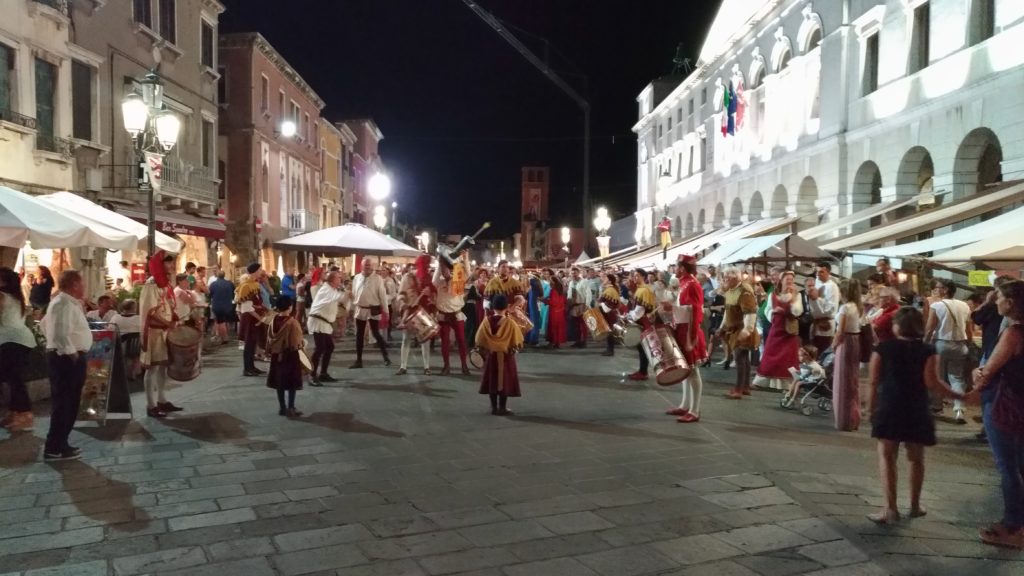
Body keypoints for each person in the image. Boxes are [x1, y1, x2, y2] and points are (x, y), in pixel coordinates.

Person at [867, 306, 962, 525]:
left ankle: (890, 509)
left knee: (887, 457)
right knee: (916, 459)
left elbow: (873, 382)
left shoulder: (883, 348)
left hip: (890, 406)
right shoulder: (928, 351)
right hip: (916, 407)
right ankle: (915, 505)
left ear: (897, 326)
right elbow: (932, 383)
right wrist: (961, 396)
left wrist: (870, 409)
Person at [970, 280, 1024, 548]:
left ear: (1011, 302)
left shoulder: (1015, 332)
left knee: (1008, 468)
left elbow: (987, 372)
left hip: (1005, 404)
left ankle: (1014, 527)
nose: (996, 301)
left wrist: (976, 374)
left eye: (999, 297)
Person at [40, 269, 91, 460]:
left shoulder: (65, 303)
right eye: (82, 283)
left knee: (69, 403)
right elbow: (61, 333)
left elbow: (43, 325)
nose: (84, 286)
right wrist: (72, 354)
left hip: (64, 357)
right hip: (66, 360)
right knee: (64, 403)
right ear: (74, 284)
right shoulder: (63, 304)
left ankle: (61, 443)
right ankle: (54, 446)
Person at [139, 252, 183, 418]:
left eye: (172, 263)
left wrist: (174, 318)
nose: (172, 266)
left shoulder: (164, 283)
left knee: (162, 367)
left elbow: (168, 305)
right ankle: (150, 405)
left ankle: (162, 400)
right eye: (168, 263)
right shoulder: (151, 284)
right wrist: (167, 322)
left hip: (165, 331)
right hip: (155, 332)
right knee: (152, 368)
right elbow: (150, 311)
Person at [924, 278, 972, 424]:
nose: (936, 290)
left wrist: (924, 343)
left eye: (939, 287)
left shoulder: (937, 306)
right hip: (960, 345)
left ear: (945, 290)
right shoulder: (965, 306)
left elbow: (930, 327)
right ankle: (959, 410)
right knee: (957, 378)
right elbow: (969, 329)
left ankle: (937, 406)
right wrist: (968, 343)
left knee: (938, 376)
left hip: (941, 344)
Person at [669, 255, 707, 423]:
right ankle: (685, 405)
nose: (674, 269)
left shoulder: (692, 284)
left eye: (676, 266)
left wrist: (673, 308)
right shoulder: (685, 283)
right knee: (686, 369)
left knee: (692, 371)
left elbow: (696, 310)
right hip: (682, 329)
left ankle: (695, 410)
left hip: (689, 331)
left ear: (682, 268)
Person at [0, 267, 37, 433]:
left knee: (14, 379)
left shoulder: (2, 296)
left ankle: (25, 414)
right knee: (12, 377)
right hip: (21, 340)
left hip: (11, 341)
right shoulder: (17, 298)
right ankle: (16, 412)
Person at [753, 270, 803, 390]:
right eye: (787, 279)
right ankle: (764, 381)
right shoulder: (773, 295)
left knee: (787, 357)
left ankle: (786, 384)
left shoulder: (797, 295)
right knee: (770, 353)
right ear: (782, 281)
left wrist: (789, 306)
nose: (790, 281)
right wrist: (773, 313)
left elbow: (798, 311)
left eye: (791, 279)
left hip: (789, 331)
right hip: (776, 328)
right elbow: (767, 310)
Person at [476, 294, 524, 416]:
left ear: (492, 307)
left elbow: (479, 339)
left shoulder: (486, 322)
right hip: (506, 356)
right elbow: (517, 341)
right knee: (505, 381)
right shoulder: (510, 323)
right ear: (506, 307)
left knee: (492, 380)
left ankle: (493, 407)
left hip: (491, 356)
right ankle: (502, 407)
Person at [719, 266, 759, 399]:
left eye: (727, 276)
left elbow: (750, 313)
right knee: (743, 358)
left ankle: (739, 389)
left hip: (742, 329)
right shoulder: (731, 291)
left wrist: (747, 330)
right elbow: (728, 312)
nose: (725, 278)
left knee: (740, 358)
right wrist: (722, 327)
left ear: (735, 277)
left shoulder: (745, 292)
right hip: (734, 330)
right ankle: (745, 387)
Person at [832, 279, 864, 431]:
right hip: (855, 341)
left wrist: (833, 345)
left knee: (842, 380)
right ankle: (854, 417)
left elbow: (840, 330)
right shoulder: (858, 307)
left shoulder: (845, 307)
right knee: (852, 379)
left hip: (846, 342)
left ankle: (844, 419)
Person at [266, 296, 305, 418]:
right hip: (290, 355)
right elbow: (296, 342)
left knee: (279, 382)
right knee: (292, 382)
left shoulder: (273, 321)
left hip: (276, 355)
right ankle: (291, 407)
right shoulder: (292, 322)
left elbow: (268, 339)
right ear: (290, 307)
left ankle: (282, 407)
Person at [396, 255, 434, 375]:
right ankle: (403, 366)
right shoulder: (408, 277)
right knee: (406, 339)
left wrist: (429, 294)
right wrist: (403, 303)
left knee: (425, 339)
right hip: (410, 311)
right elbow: (401, 293)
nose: (427, 267)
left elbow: (434, 296)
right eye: (426, 264)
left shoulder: (429, 277)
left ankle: (427, 367)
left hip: (423, 311)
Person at [306, 271, 346, 385]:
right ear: (332, 280)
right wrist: (347, 292)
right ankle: (312, 375)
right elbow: (339, 297)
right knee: (320, 348)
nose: (340, 280)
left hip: (324, 322)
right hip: (318, 321)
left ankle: (323, 373)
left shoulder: (331, 289)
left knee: (329, 347)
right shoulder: (326, 289)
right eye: (339, 278)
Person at [351, 257, 391, 368]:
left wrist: (386, 311)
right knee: (359, 335)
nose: (367, 267)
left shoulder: (377, 279)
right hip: (360, 309)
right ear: (361, 266)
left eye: (369, 265)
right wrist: (352, 307)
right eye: (365, 265)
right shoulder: (356, 278)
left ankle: (386, 357)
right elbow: (354, 293)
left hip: (373, 309)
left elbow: (382, 295)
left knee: (376, 333)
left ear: (372, 266)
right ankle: (359, 360)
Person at [435, 256, 470, 375]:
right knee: (444, 342)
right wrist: (440, 262)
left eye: (446, 268)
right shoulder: (438, 281)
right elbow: (434, 280)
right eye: (442, 269)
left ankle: (464, 365)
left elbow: (468, 275)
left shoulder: (458, 281)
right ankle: (446, 366)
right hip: (443, 315)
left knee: (461, 340)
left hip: (456, 314)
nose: (444, 271)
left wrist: (464, 260)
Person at [236, 263, 268, 377]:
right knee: (249, 344)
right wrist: (260, 318)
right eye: (259, 270)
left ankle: (252, 367)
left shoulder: (255, 284)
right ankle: (247, 368)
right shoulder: (245, 286)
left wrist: (262, 309)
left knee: (253, 343)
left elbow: (255, 303)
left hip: (255, 318)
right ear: (254, 271)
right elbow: (246, 307)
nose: (261, 271)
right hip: (250, 319)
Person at [627, 269, 658, 381]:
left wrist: (629, 316)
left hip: (643, 323)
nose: (635, 278)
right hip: (642, 321)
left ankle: (643, 372)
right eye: (634, 276)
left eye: (637, 276)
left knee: (643, 348)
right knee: (642, 349)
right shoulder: (641, 289)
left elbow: (639, 312)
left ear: (644, 277)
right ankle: (642, 370)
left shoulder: (644, 290)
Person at [807, 262, 841, 354]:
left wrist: (816, 298)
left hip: (826, 324)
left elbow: (830, 309)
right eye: (817, 272)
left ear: (828, 272)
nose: (818, 274)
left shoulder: (832, 286)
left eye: (821, 272)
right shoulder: (817, 283)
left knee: (823, 352)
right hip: (816, 323)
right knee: (813, 353)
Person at [543, 269, 568, 349]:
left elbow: (553, 302)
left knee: (554, 327)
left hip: (554, 312)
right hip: (560, 311)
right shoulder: (561, 290)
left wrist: (544, 300)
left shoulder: (553, 291)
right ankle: (557, 342)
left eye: (550, 281)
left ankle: (554, 342)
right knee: (559, 328)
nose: (549, 282)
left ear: (553, 282)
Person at [208, 271, 235, 345]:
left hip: (218, 306)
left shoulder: (213, 284)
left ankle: (225, 338)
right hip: (228, 305)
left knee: (220, 322)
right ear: (224, 275)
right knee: (226, 321)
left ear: (217, 276)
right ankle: (226, 335)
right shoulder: (230, 283)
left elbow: (210, 295)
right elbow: (233, 293)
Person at [599, 273, 621, 357]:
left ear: (609, 281)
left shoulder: (610, 290)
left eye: (605, 278)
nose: (603, 279)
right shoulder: (610, 289)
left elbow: (608, 307)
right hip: (609, 314)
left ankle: (610, 350)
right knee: (609, 332)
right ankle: (609, 349)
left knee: (609, 332)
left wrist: (601, 303)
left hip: (609, 314)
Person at [567, 267, 590, 347]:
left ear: (578, 273)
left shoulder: (584, 282)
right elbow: (569, 294)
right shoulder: (571, 283)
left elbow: (588, 294)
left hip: (581, 304)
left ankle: (584, 341)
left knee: (582, 324)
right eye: (572, 273)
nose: (573, 274)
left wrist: (587, 305)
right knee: (575, 325)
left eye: (575, 273)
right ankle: (577, 341)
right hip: (574, 306)